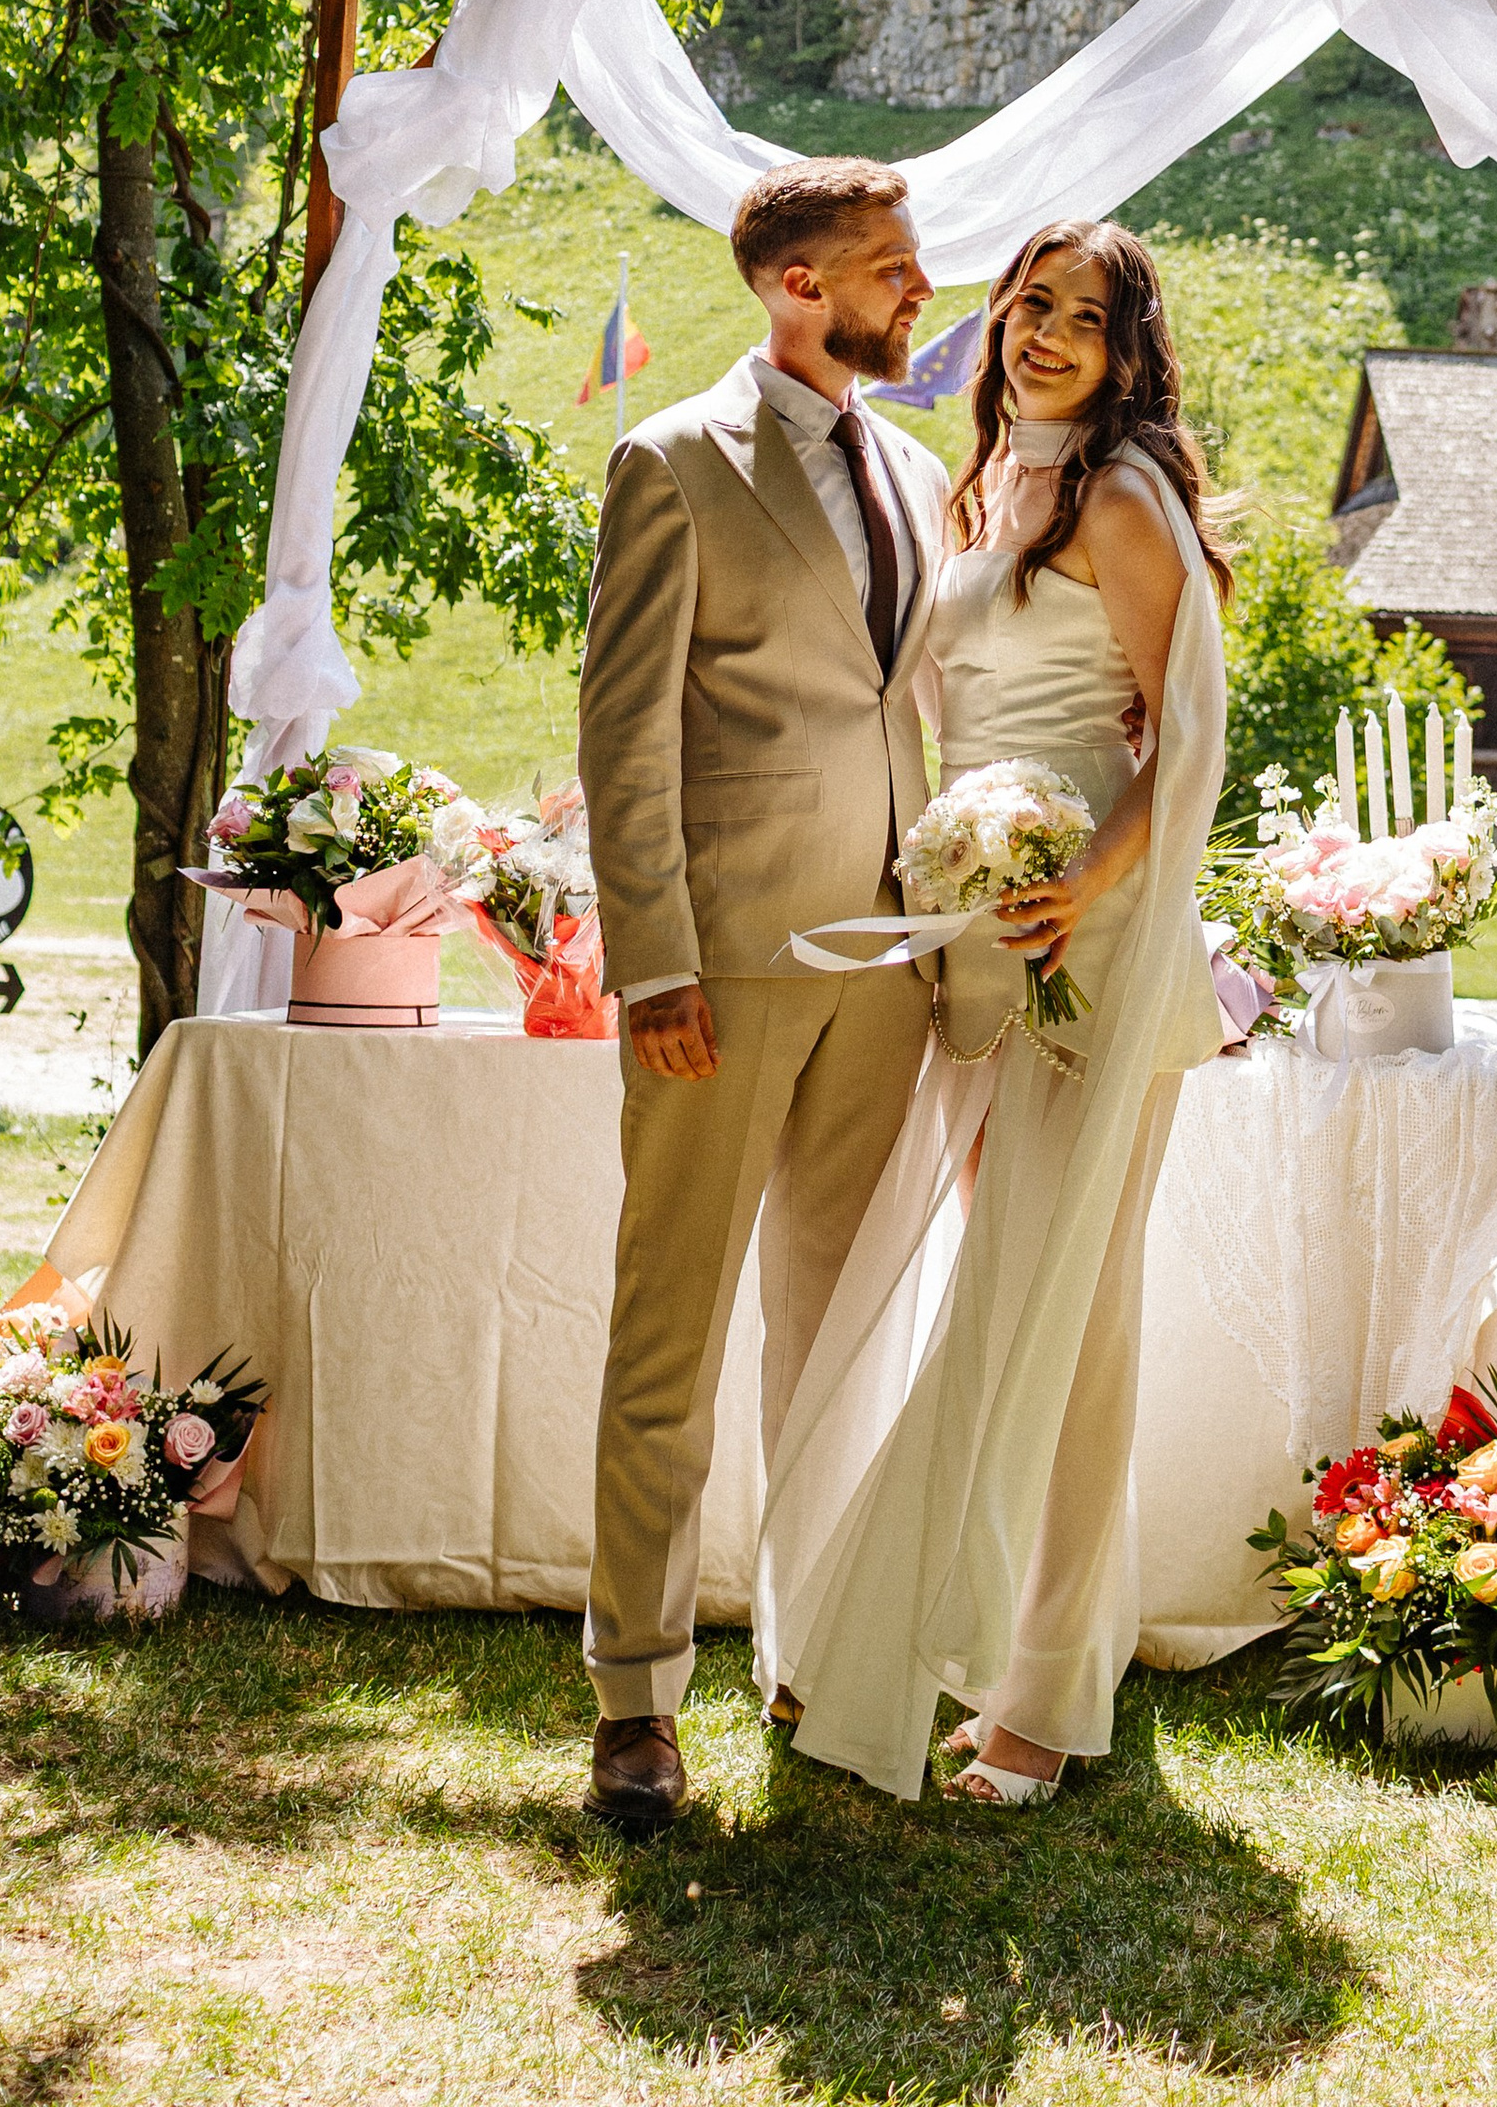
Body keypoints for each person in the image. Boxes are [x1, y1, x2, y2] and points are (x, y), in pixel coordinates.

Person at [754, 218, 1231, 1807]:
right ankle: (993, 1650)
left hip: (1089, 947)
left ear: (1125, 351)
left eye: (1084, 319)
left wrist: (1081, 887)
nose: (1046, 335)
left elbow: (1185, 739)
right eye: (1032, 304)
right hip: (977, 944)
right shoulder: (980, 493)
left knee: (1069, 1325)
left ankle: (1043, 1694)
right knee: (1022, 1306)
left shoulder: (1121, 497)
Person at [575, 157, 948, 1833]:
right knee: (670, 1335)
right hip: (719, 972)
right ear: (800, 285)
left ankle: (821, 1655)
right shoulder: (671, 461)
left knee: (838, 1332)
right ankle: (635, 1704)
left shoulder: (915, 469)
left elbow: (902, 708)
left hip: (891, 969)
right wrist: (653, 960)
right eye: (889, 267)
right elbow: (625, 734)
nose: (918, 291)